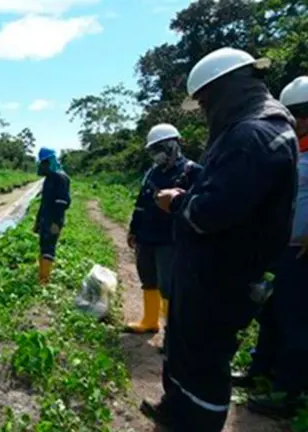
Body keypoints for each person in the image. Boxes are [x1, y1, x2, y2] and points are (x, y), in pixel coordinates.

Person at [142, 47, 298, 431]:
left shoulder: (252, 137)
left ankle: (195, 423)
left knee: (205, 360)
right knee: (183, 346)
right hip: (204, 271)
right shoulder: (256, 131)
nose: (206, 112)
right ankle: (175, 408)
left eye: (205, 102)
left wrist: (178, 202)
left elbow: (209, 213)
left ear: (223, 91)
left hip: (221, 277)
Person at [236, 76, 308, 418]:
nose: (298, 120)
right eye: (293, 113)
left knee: (297, 322)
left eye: (303, 113)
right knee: (270, 313)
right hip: (279, 248)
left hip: (302, 253)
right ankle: (259, 371)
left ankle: (288, 390)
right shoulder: (288, 148)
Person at [126, 123, 202, 334]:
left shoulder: (192, 171)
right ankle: (150, 321)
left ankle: (173, 332)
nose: (156, 155)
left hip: (171, 238)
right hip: (147, 235)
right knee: (148, 278)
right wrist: (134, 228)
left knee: (169, 285)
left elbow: (201, 205)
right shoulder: (152, 173)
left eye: (159, 149)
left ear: (173, 145)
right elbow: (140, 203)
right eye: (153, 150)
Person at [34, 147, 71, 284]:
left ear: (49, 161)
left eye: (43, 162)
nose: (41, 166)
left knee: (49, 248)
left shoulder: (61, 178)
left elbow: (63, 203)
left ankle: (44, 280)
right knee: (44, 246)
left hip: (54, 221)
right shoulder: (49, 178)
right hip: (46, 219)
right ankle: (42, 275)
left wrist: (54, 223)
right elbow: (44, 203)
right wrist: (38, 221)